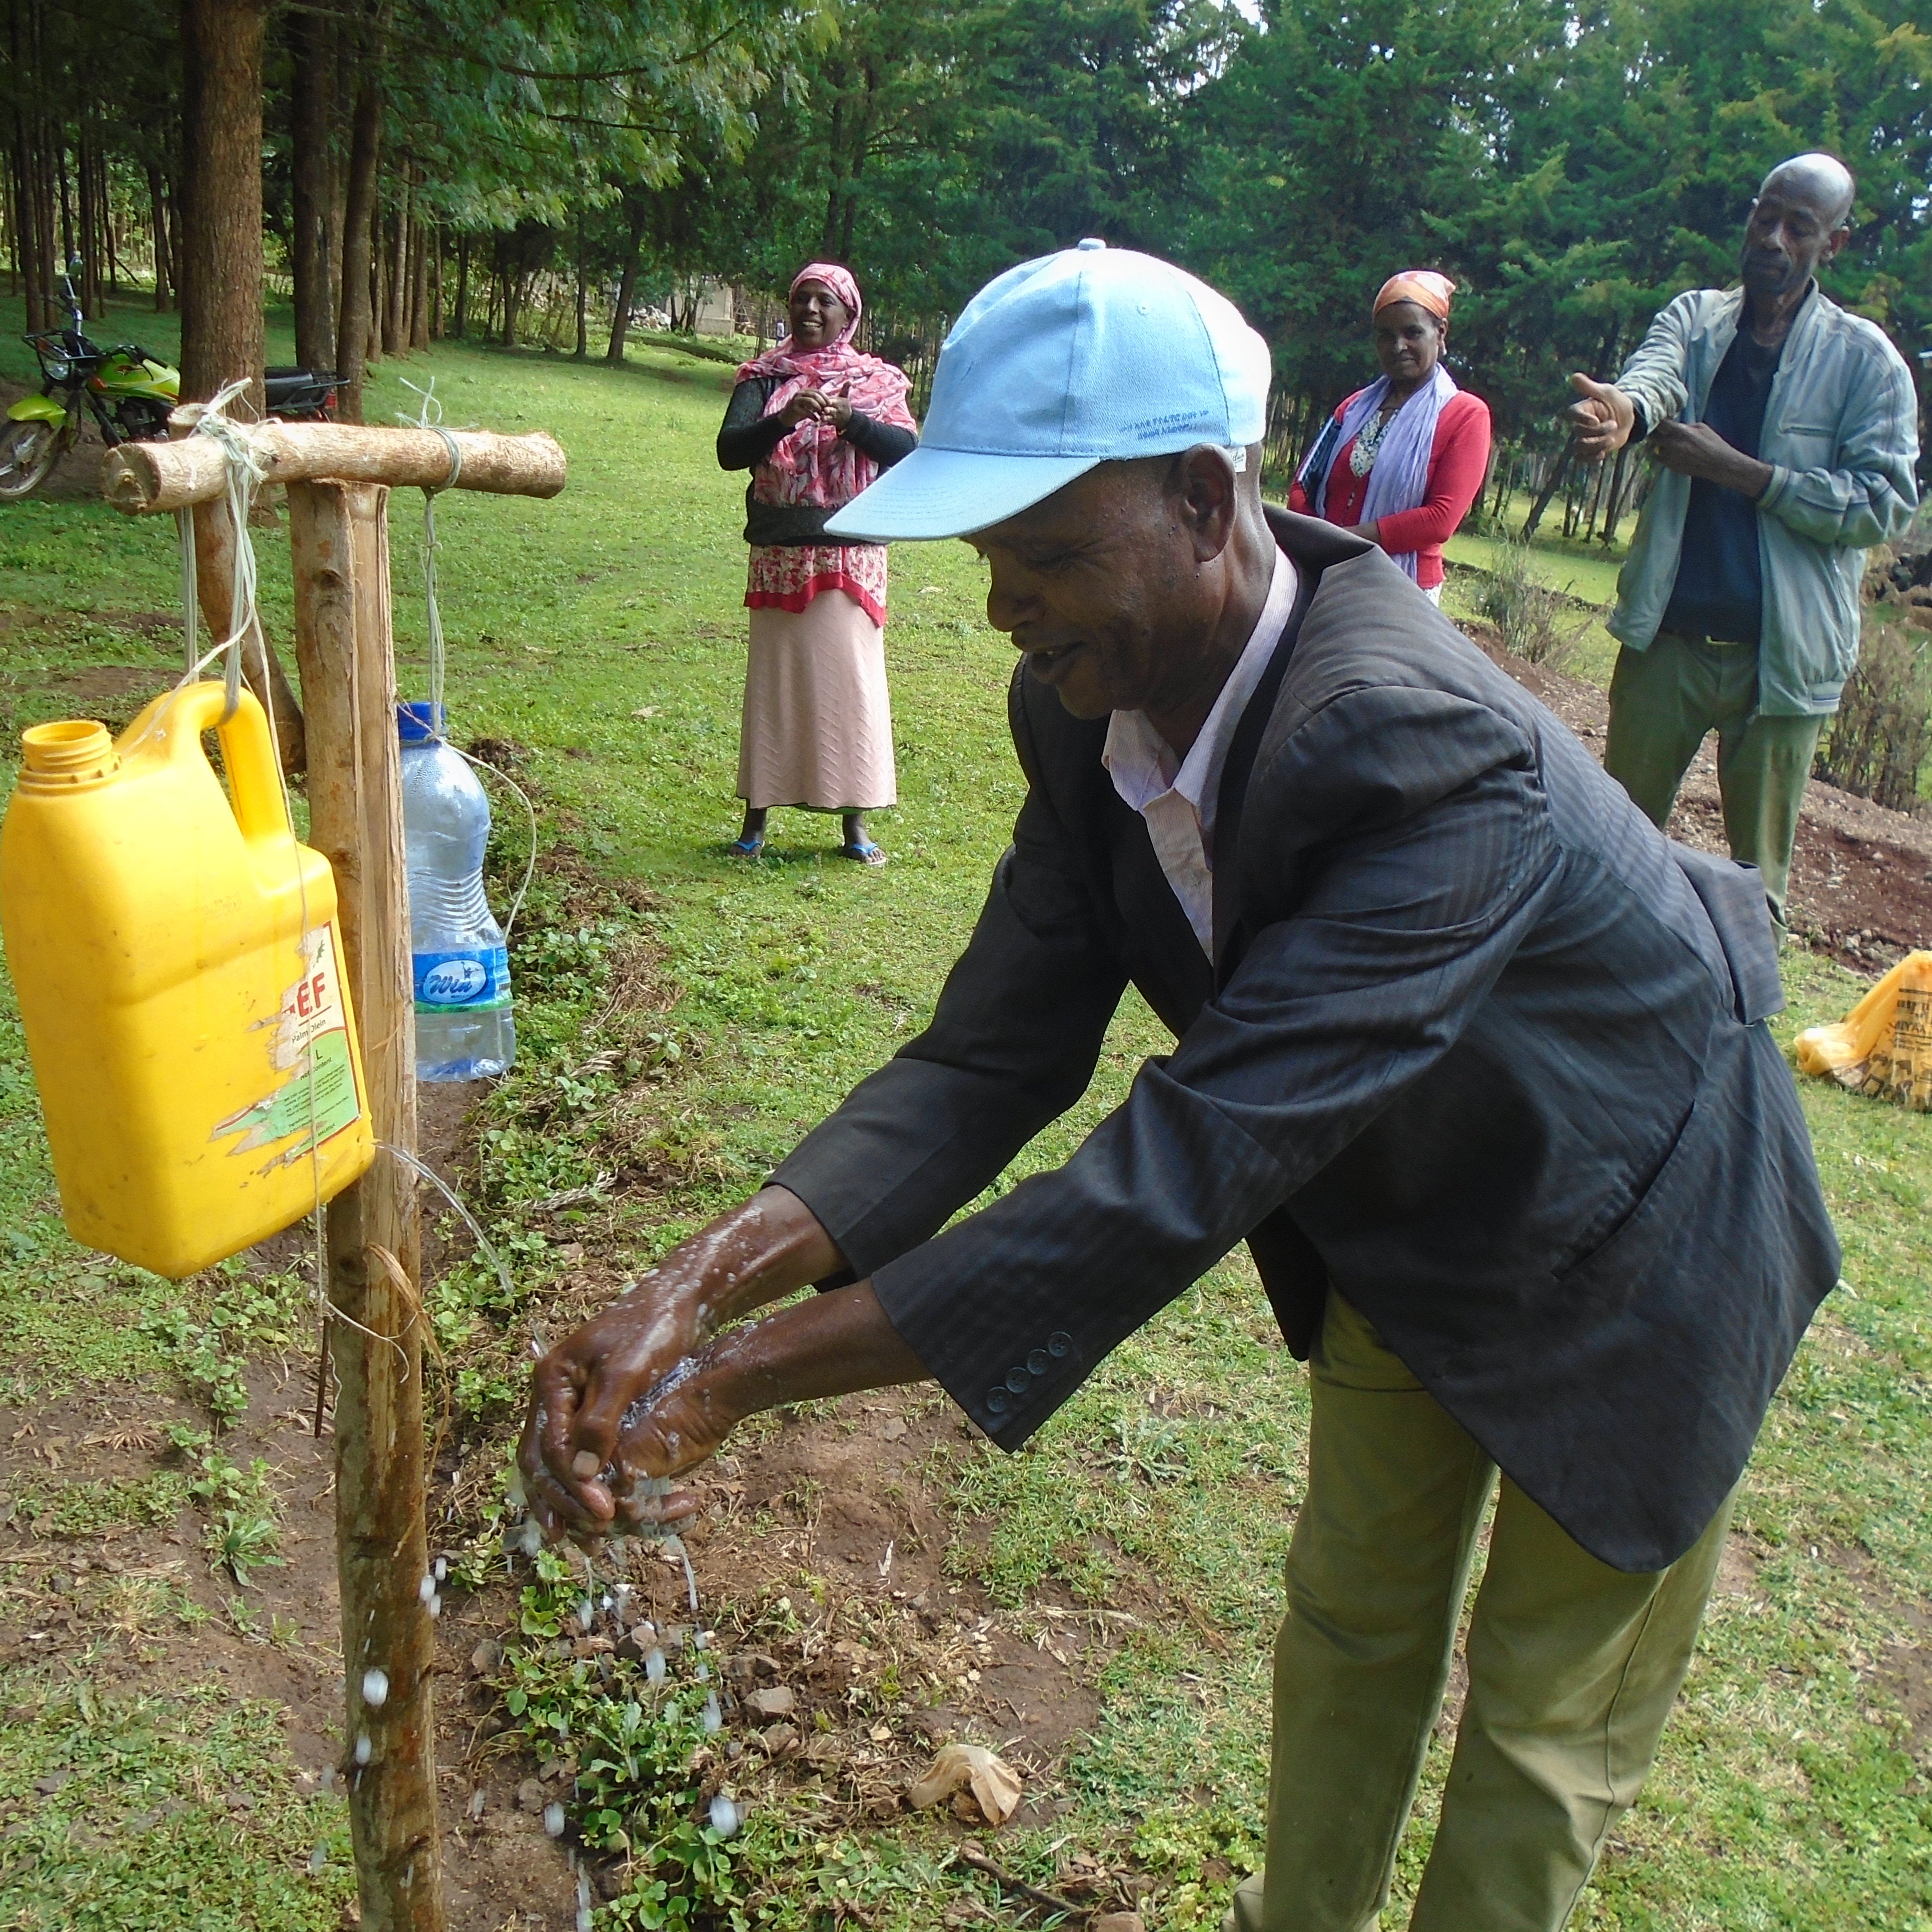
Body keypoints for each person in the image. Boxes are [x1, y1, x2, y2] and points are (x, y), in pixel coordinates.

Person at [522, 241, 1839, 1932]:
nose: (1004, 602)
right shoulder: (1084, 709)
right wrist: (683, 1285)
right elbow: (988, 1054)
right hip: (1400, 1198)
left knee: (1540, 1721)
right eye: (992, 553)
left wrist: (726, 1384)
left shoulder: (1423, 747)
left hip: (1650, 1223)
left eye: (1052, 553)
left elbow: (1174, 1171)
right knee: (1354, 1622)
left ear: (1212, 503)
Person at [1562, 153, 1919, 928]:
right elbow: (1654, 379)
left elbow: (1884, 504)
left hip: (1782, 663)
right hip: (1671, 643)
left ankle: (1737, 1032)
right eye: (1767, 216)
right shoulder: (1695, 321)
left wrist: (1748, 476)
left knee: (1757, 892)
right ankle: (1596, 1017)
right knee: (1613, 853)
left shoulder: (1868, 365)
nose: (1775, 238)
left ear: (1836, 244)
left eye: (1801, 227)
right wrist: (1626, 412)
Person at [716, 262, 920, 864]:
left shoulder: (876, 382)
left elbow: (907, 453)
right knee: (775, 688)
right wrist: (781, 419)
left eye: (823, 301)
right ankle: (756, 820)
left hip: (851, 554)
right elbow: (730, 452)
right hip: (779, 554)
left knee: (850, 687)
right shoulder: (764, 377)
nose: (810, 310)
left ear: (847, 315)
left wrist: (851, 421)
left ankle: (855, 825)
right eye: (801, 299)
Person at [1288, 270, 1492, 602]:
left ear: (1440, 333)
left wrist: (1342, 543)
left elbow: (1440, 520)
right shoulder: (1354, 408)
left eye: (1412, 333)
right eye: (1386, 335)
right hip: (1323, 575)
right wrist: (1317, 544)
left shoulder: (1466, 415)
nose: (1398, 347)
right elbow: (1304, 484)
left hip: (1400, 594)